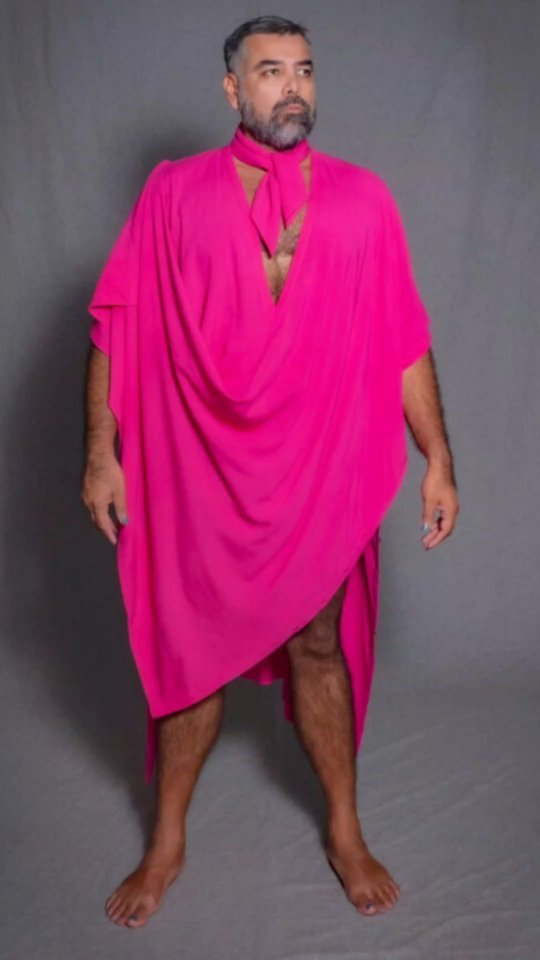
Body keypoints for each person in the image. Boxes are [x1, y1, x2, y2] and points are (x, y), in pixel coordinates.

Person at [81, 15, 459, 929]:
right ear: (232, 89)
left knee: (319, 644)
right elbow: (118, 319)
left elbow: (404, 338)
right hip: (204, 466)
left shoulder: (365, 200)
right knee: (194, 654)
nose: (292, 87)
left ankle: (345, 830)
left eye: (305, 71)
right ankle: (167, 840)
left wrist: (439, 456)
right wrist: (100, 452)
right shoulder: (173, 193)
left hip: (319, 465)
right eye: (270, 71)